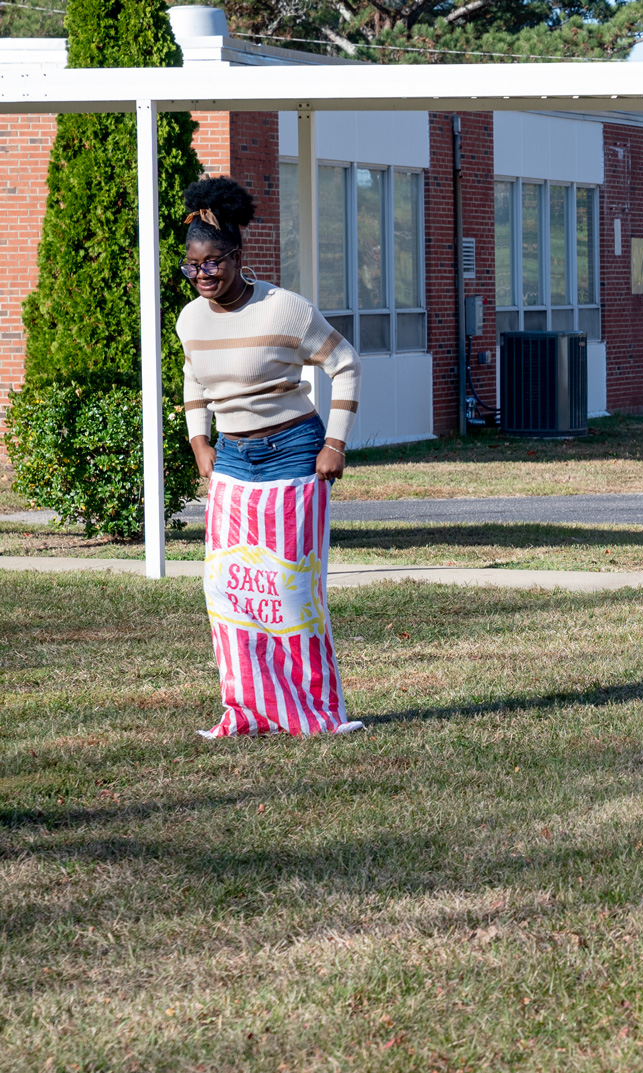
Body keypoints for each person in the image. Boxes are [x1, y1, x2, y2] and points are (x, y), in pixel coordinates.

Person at [178, 176, 365, 736]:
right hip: (232, 458)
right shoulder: (190, 319)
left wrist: (335, 442)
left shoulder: (285, 309)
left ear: (237, 257)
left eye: (213, 263)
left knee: (288, 592)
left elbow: (347, 363)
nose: (203, 274)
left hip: (295, 453)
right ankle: (247, 708)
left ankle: (313, 713)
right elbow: (193, 376)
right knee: (230, 590)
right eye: (192, 265)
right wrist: (199, 441)